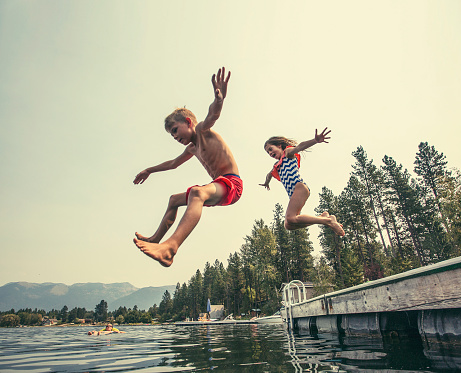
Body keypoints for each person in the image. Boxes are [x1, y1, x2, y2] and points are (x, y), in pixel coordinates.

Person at [133, 67, 242, 267]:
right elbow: (173, 164)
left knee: (197, 193)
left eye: (176, 130)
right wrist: (149, 170)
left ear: (189, 122)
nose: (175, 137)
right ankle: (156, 240)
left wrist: (219, 99)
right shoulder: (192, 148)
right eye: (172, 136)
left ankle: (170, 248)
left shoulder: (202, 130)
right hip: (218, 185)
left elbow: (213, 115)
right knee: (174, 200)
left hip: (232, 184)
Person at [259, 129, 345, 236]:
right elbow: (269, 175)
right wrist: (266, 182)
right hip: (293, 193)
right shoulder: (277, 166)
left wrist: (315, 140)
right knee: (289, 224)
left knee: (290, 218)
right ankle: (322, 218)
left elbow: (300, 146)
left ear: (279, 146)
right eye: (268, 152)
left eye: (271, 149)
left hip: (299, 187)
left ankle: (328, 221)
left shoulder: (287, 153)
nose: (270, 153)